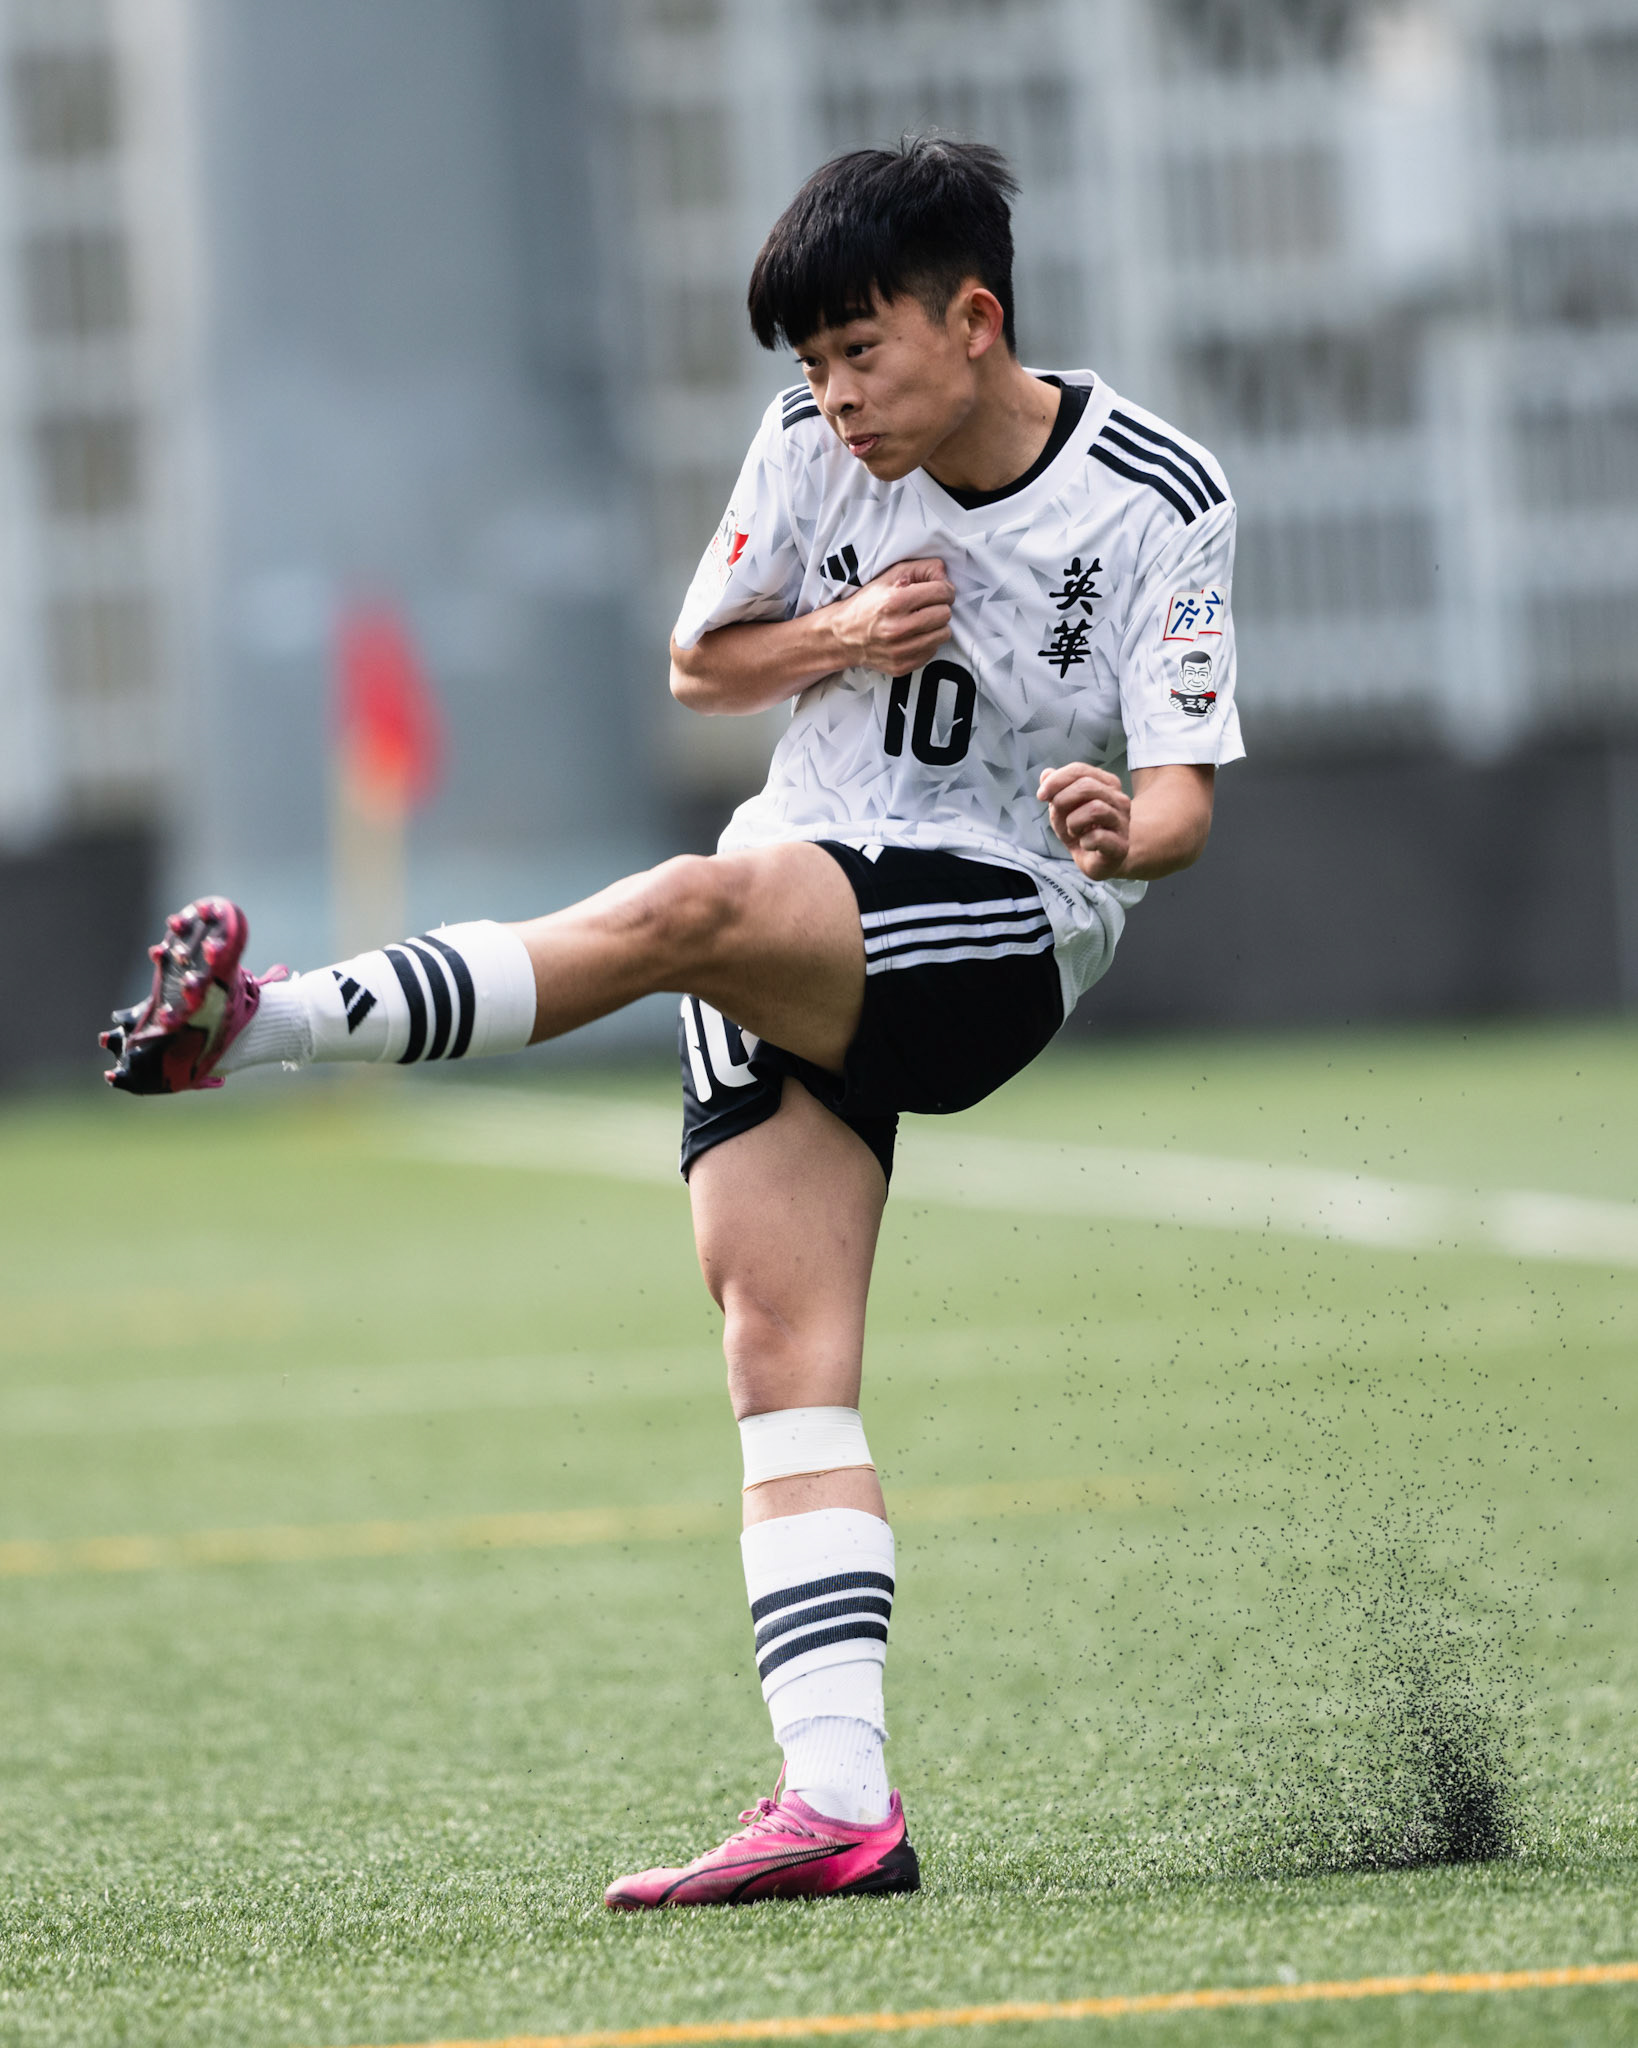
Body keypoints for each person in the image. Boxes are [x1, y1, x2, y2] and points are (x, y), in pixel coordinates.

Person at [101, 138, 1242, 1908]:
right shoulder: (806, 452)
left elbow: (1178, 801)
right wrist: (844, 631)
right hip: (806, 869)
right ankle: (836, 1803)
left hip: (996, 928)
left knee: (681, 913)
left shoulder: (1154, 492)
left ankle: (251, 1026)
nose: (833, 399)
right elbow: (702, 662)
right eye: (808, 367)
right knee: (778, 1359)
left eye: (860, 353)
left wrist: (1117, 823)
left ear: (972, 318)